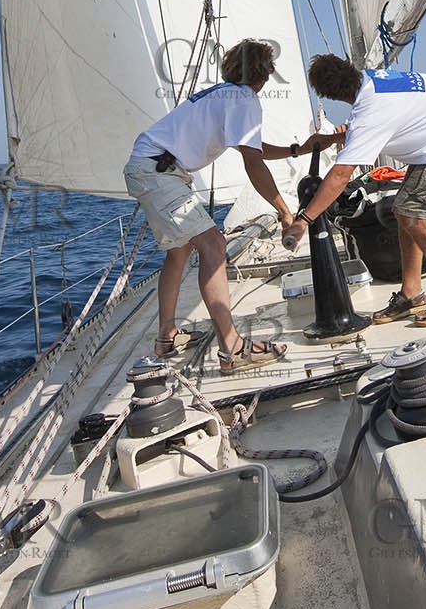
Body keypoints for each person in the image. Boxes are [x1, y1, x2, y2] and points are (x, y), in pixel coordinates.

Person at [124, 38, 340, 372]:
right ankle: (233, 348)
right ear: (263, 74)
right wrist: (285, 212)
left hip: (152, 167)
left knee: (180, 251)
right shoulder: (243, 99)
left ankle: (166, 336)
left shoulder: (226, 95)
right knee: (213, 244)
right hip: (158, 172)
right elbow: (252, 162)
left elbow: (251, 147)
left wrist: (298, 149)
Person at [290, 55, 426, 327]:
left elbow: (340, 175)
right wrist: (332, 138)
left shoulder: (370, 108)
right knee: (405, 211)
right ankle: (411, 293)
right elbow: (381, 120)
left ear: (333, 96)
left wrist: (304, 219)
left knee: (414, 213)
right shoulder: (374, 81)